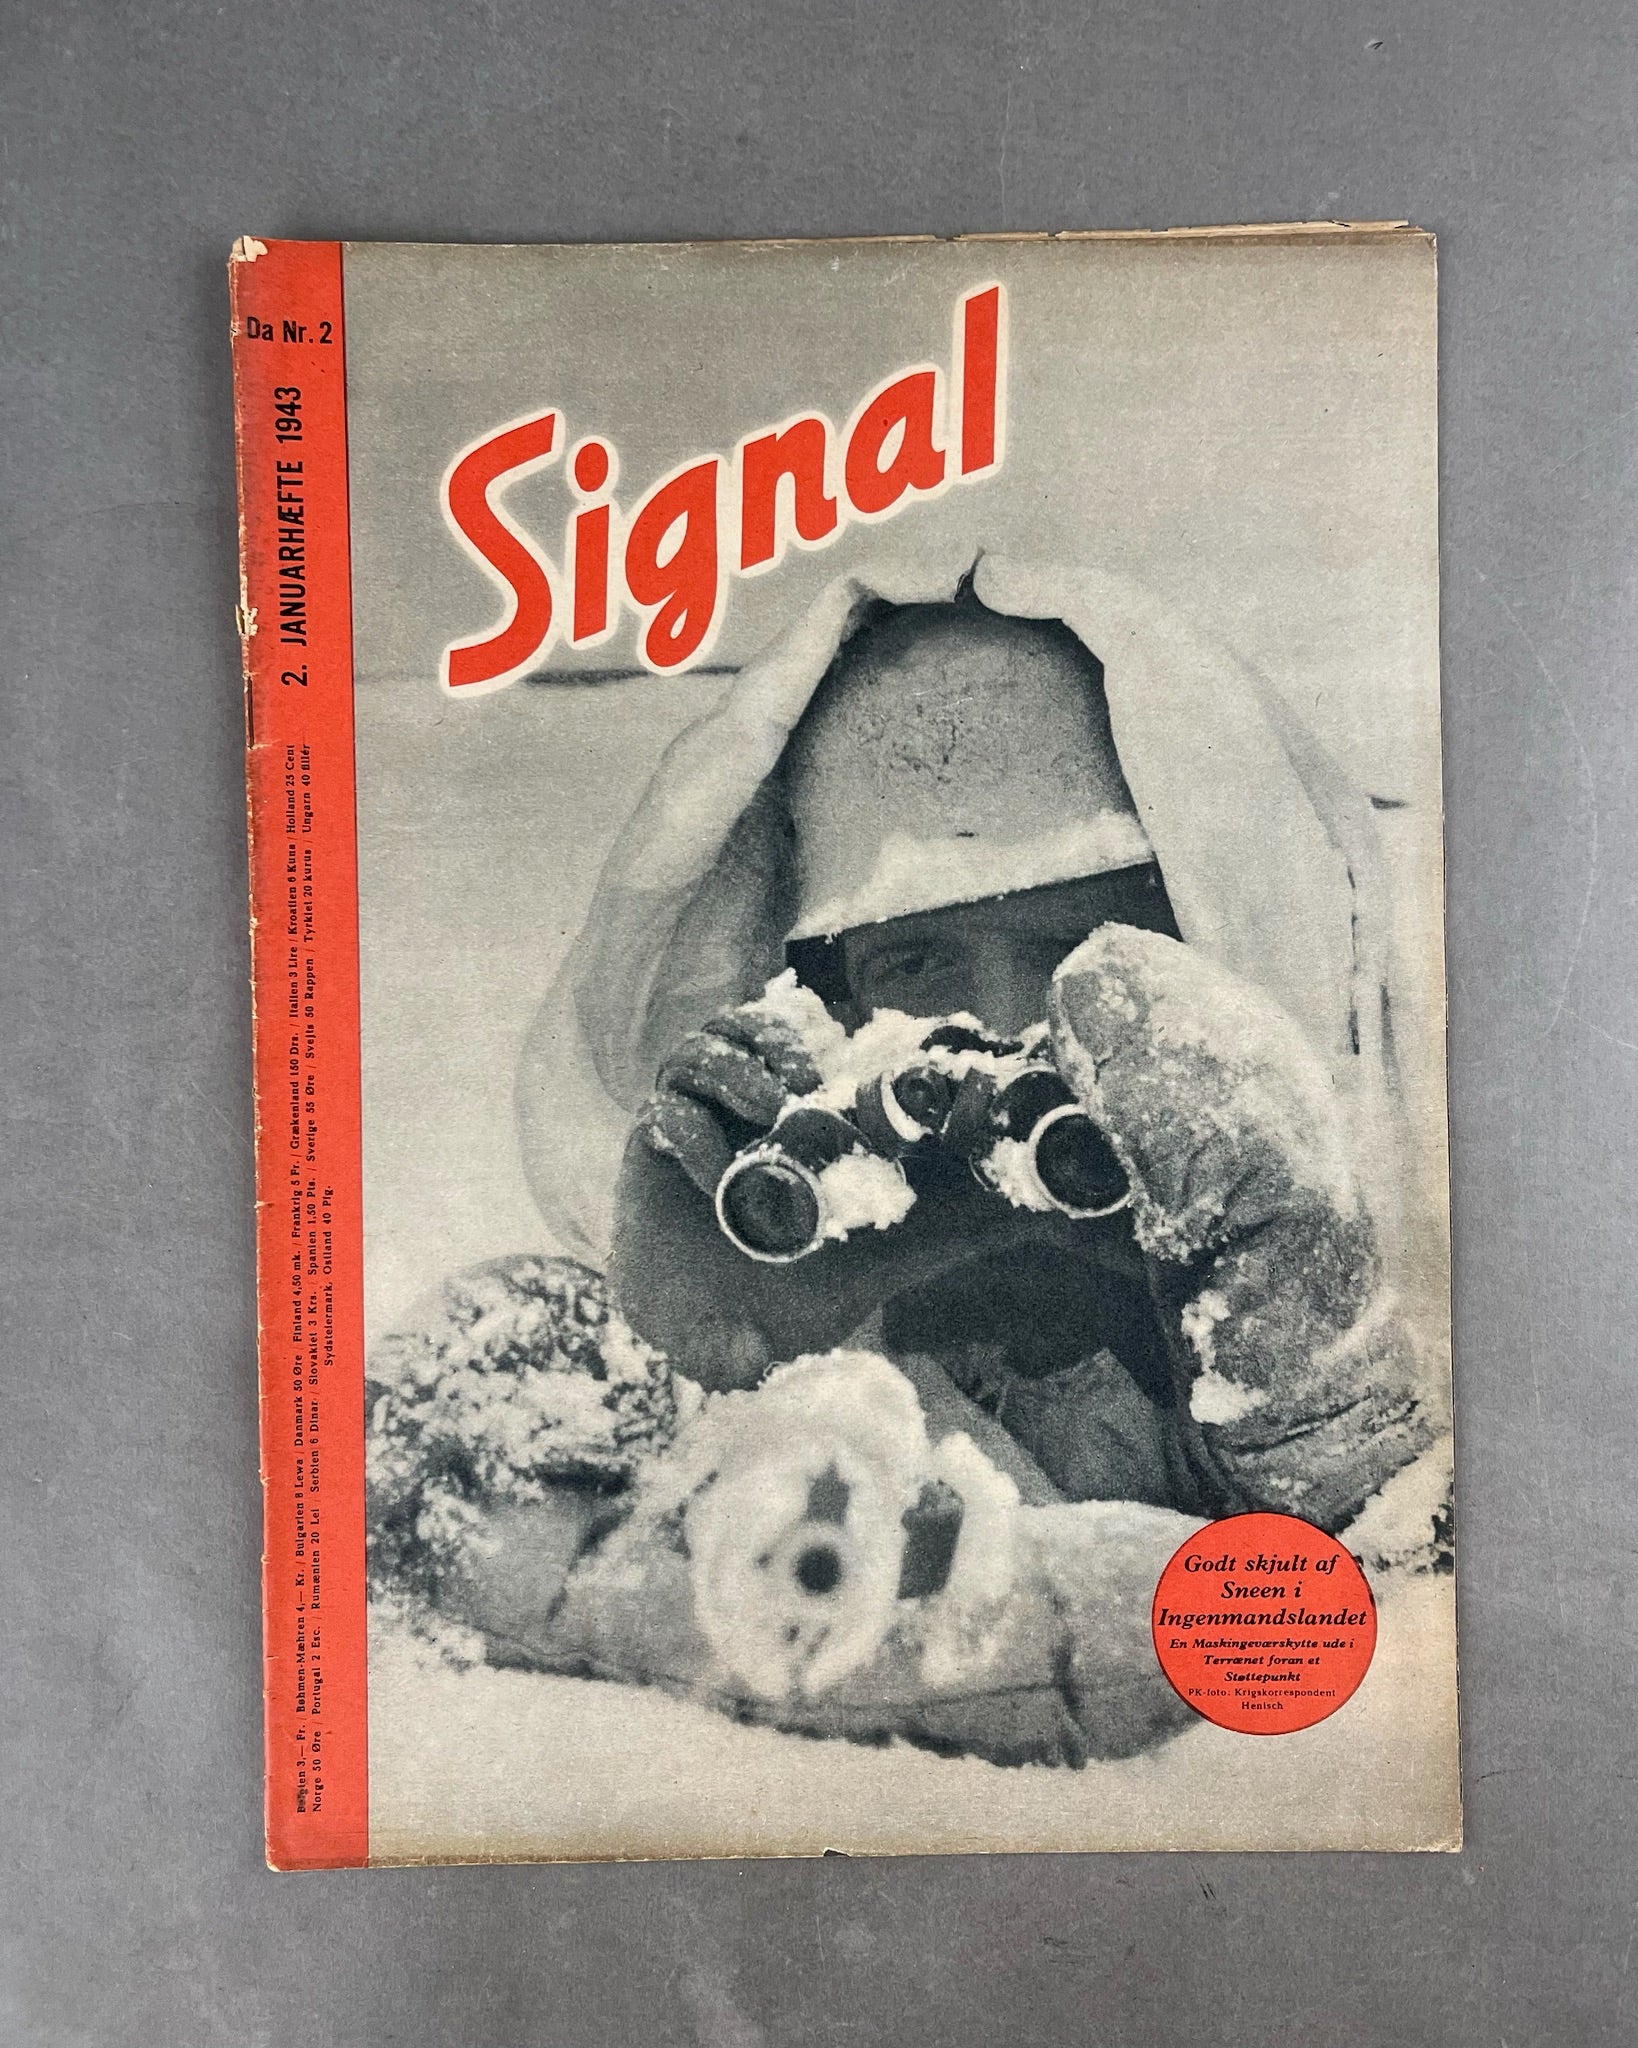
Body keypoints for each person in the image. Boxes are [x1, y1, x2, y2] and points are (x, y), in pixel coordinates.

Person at [520, 561, 1448, 1542]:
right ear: (826, 999)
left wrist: (1329, 1425)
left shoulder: (1458, 1296)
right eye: (917, 963)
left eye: (1081, 946)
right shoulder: (788, 1291)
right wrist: (716, 1391)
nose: (1001, 1023)